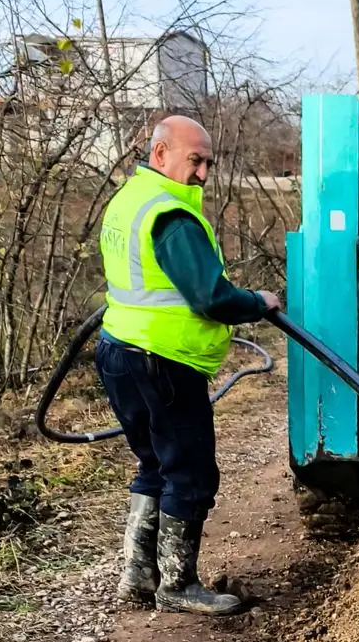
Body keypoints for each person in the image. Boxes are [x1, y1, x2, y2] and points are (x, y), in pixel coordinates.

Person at [96, 115, 280, 616]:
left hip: (119, 350)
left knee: (153, 462)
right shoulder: (173, 216)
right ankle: (178, 585)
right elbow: (211, 298)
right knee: (191, 474)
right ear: (160, 154)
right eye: (193, 160)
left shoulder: (129, 200)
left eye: (208, 162)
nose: (202, 172)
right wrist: (258, 301)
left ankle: (137, 575)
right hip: (164, 362)